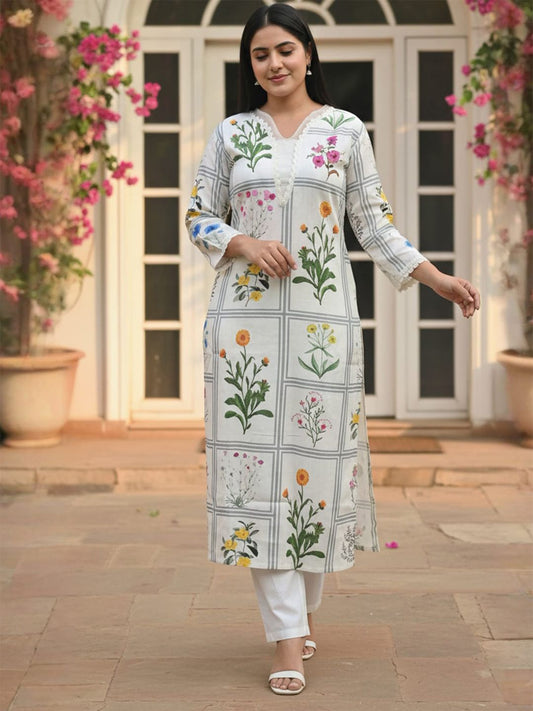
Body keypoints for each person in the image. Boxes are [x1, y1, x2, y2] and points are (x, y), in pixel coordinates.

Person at [185, 3, 480, 697]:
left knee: (315, 474)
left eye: (284, 50)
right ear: (250, 65)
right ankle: (286, 640)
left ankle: (302, 608)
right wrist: (241, 241)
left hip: (322, 328)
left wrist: (436, 279)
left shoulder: (345, 131)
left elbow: (372, 224)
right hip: (246, 331)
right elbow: (198, 213)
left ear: (308, 53)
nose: (274, 64)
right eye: (260, 54)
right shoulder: (232, 134)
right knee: (258, 477)